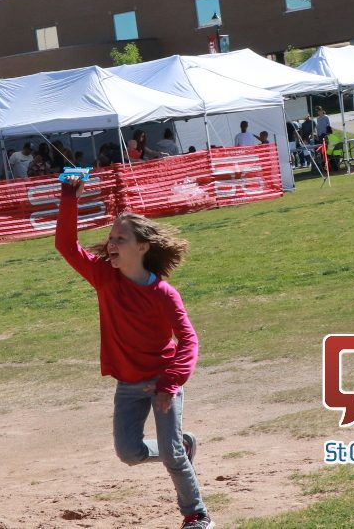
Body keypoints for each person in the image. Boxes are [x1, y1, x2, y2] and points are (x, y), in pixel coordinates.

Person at [55, 175, 212, 529]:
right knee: (129, 452)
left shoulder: (163, 294)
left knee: (170, 456)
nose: (111, 243)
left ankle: (196, 515)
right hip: (128, 384)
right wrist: (69, 197)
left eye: (120, 238)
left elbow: (189, 341)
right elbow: (66, 245)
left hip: (161, 381)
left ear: (142, 247)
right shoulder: (104, 278)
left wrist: (170, 383)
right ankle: (183, 447)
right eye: (111, 237)